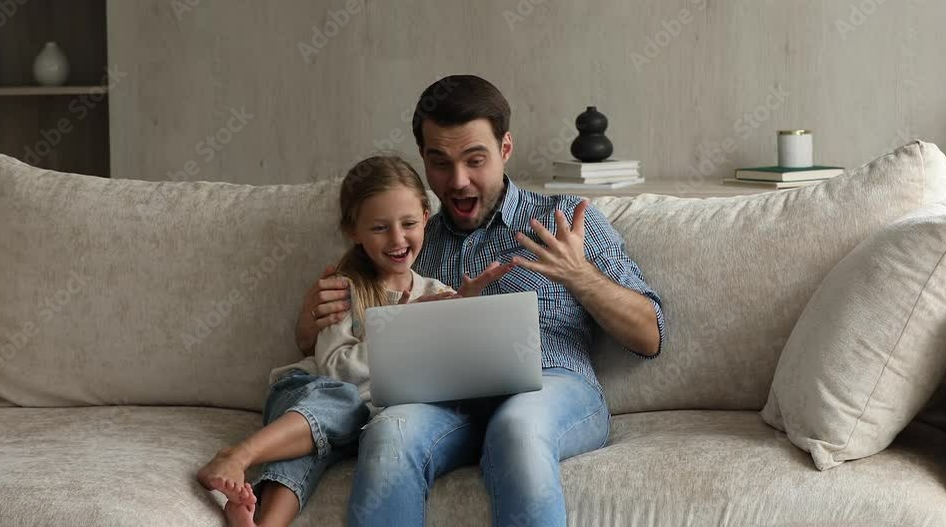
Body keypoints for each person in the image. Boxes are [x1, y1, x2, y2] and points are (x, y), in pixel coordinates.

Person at [296, 75, 667, 526]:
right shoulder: (408, 238)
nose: (458, 181)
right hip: (441, 402)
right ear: (423, 158)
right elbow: (337, 344)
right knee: (390, 432)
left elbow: (650, 335)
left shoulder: (564, 220)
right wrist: (308, 323)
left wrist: (580, 275)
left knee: (517, 427)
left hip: (549, 387)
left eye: (475, 160)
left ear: (505, 148)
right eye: (440, 163)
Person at [196, 155, 512, 527]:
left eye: (409, 223)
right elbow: (334, 371)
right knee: (342, 404)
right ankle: (237, 455)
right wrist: (398, 330)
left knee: (312, 450)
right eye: (379, 228)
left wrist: (467, 320)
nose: (397, 239)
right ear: (353, 231)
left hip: (353, 423)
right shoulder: (346, 288)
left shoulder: (437, 294)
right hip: (308, 393)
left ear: (426, 217)